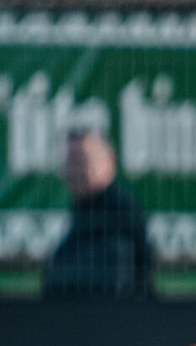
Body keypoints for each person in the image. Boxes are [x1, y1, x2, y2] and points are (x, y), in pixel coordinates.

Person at [41, 128, 153, 300]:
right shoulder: (81, 210)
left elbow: (120, 277)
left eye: (82, 160)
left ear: (109, 160)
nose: (75, 170)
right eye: (70, 161)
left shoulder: (120, 210)